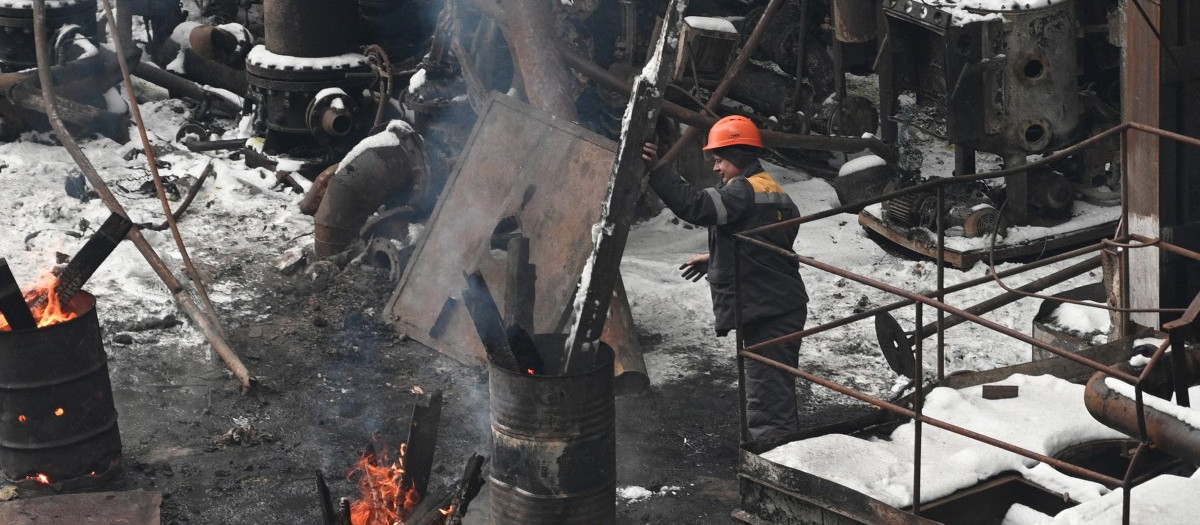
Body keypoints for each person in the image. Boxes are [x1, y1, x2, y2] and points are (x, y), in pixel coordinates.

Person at [642, 115, 809, 440]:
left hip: (768, 310)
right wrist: (718, 257)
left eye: (719, 159)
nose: (716, 168)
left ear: (737, 155)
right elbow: (769, 239)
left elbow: (697, 207)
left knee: (767, 402)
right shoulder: (773, 191)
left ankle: (774, 470)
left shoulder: (742, 191)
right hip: (780, 305)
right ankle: (782, 455)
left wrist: (659, 170)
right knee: (774, 390)